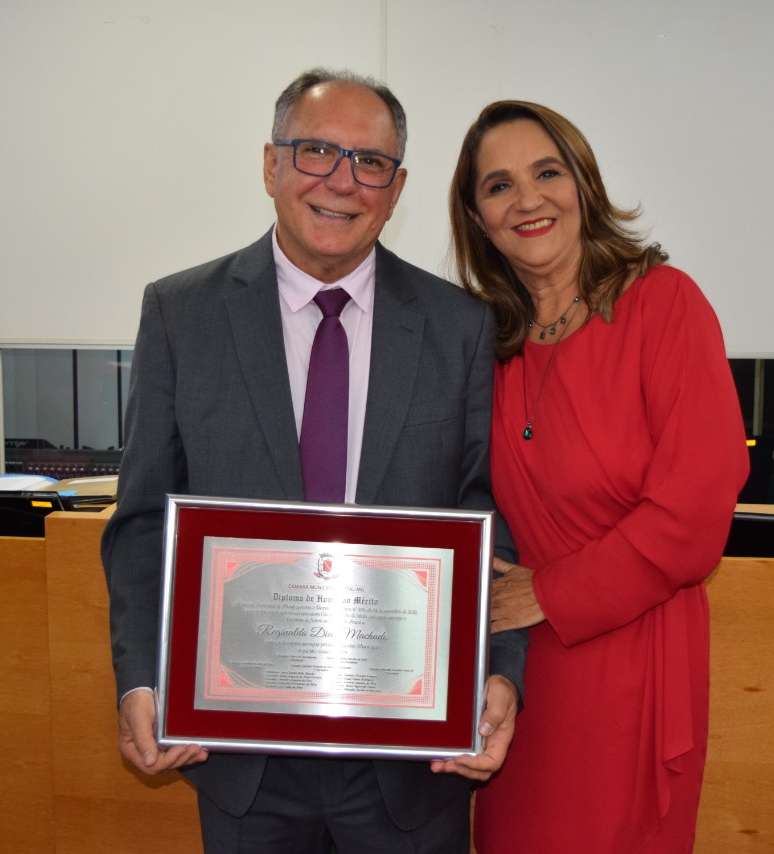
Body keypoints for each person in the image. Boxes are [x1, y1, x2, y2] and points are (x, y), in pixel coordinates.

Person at [100, 69, 526, 853]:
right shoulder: (180, 314)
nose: (341, 181)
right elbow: (139, 525)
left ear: (396, 191)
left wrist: (498, 675)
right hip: (240, 757)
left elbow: (490, 524)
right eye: (316, 151)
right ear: (270, 165)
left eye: (370, 164)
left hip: (412, 763)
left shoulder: (459, 328)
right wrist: (141, 676)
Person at [448, 101, 750, 853]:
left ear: (582, 184)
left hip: (633, 672)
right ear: (477, 217)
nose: (527, 199)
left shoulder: (664, 307)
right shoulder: (481, 341)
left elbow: (691, 523)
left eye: (547, 172)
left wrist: (545, 594)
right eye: (497, 185)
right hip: (512, 680)